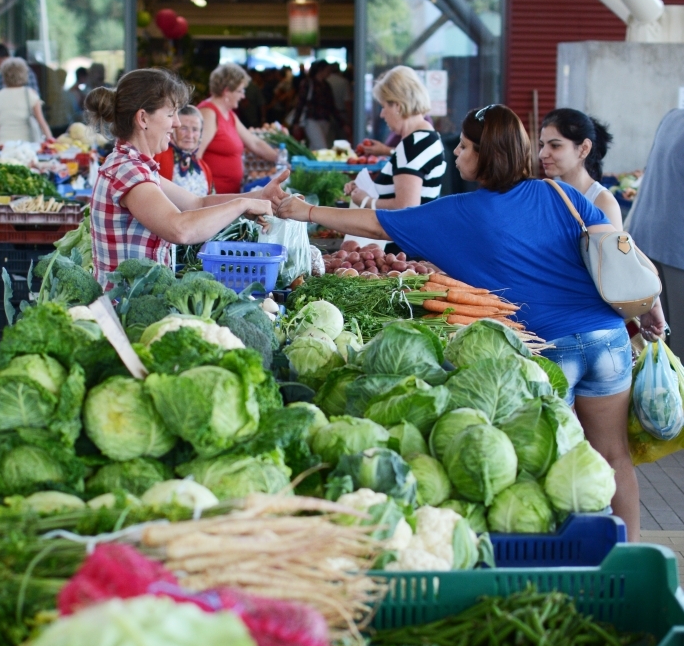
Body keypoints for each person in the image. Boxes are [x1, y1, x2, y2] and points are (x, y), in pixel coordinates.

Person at [278, 103, 667, 541]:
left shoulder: (458, 212)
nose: (456, 154)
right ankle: (629, 551)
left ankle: (574, 557)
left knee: (559, 465)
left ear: (486, 155)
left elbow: (375, 223)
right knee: (613, 456)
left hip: (549, 351)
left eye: (464, 147)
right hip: (607, 339)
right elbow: (619, 247)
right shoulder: (559, 193)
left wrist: (306, 212)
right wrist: (650, 304)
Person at [86, 68, 288, 284]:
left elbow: (197, 203)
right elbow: (180, 229)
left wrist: (259, 196)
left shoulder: (134, 165)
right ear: (143, 118)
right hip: (124, 302)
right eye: (170, 114)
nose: (177, 123)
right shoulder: (128, 171)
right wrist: (241, 205)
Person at [625, 109, 684, 361]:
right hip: (675, 251)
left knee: (661, 343)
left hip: (647, 240)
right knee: (675, 347)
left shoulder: (673, 118)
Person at [345, 66, 446, 210]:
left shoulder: (413, 144)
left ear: (397, 106)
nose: (382, 114)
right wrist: (364, 190)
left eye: (383, 106)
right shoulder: (426, 137)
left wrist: (365, 200)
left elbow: (406, 206)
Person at [197, 63, 282, 194]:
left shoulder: (229, 114)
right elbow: (196, 155)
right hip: (214, 195)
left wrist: (280, 159)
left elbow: (254, 143)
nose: (243, 96)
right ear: (226, 91)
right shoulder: (208, 114)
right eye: (240, 91)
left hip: (229, 194)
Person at [539, 108, 623, 230]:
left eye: (555, 146)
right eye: (542, 145)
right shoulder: (547, 194)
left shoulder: (603, 202)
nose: (542, 154)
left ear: (584, 148)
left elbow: (614, 243)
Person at [0, 57, 53, 144]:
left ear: (4, 75)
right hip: (27, 146)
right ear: (23, 74)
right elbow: (42, 123)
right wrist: (51, 142)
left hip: (4, 146)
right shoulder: (30, 94)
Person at [291, 59, 348, 150]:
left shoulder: (326, 85)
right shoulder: (308, 83)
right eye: (327, 70)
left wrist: (342, 123)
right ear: (321, 70)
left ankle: (311, 159)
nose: (329, 73)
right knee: (321, 146)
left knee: (315, 147)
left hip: (325, 120)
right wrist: (296, 122)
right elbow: (300, 103)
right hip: (311, 119)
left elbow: (332, 106)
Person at [156, 105, 213, 195]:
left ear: (201, 133)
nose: (190, 135)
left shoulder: (204, 167)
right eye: (184, 128)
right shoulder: (157, 157)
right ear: (173, 130)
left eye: (195, 129)